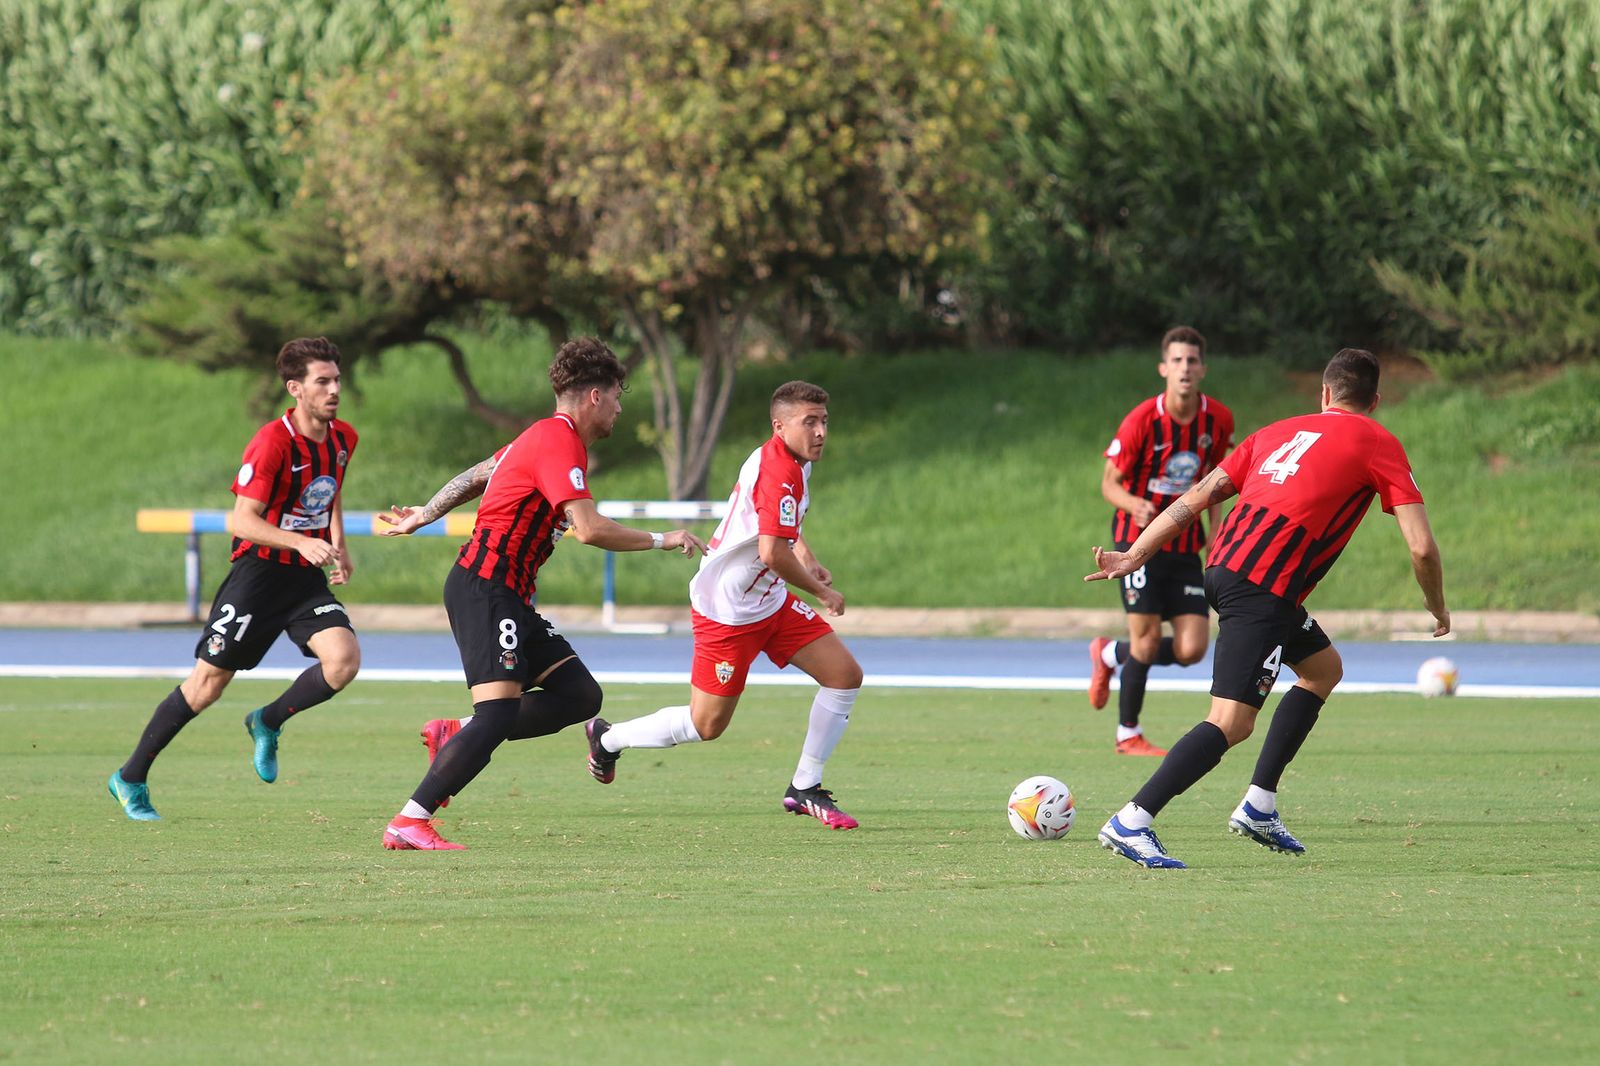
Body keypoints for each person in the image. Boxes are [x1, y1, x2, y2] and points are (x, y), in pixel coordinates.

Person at [1086, 348, 1449, 868]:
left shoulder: (1274, 431)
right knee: (1230, 722)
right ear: (1375, 400)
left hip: (1223, 571)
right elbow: (1421, 547)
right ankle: (1133, 820)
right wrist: (1437, 607)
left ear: (1324, 394)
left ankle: (1259, 804)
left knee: (1323, 669)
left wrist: (1134, 554)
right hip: (1263, 589)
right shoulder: (1378, 440)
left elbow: (1196, 499)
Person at [376, 337, 706, 850]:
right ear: (595, 396)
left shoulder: (540, 437)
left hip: (508, 595)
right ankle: (410, 819)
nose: (620, 407)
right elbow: (590, 529)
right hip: (486, 589)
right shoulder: (558, 441)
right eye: (618, 395)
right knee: (499, 715)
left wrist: (426, 512)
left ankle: (457, 733)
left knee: (580, 696)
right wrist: (663, 539)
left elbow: (477, 475)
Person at [582, 381, 866, 830]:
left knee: (844, 676)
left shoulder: (793, 460)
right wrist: (820, 590)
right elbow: (772, 552)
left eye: (824, 422)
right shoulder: (779, 471)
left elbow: (780, 528)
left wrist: (807, 557)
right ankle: (608, 738)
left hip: (768, 600)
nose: (820, 432)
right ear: (780, 426)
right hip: (728, 610)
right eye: (809, 422)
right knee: (706, 725)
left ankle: (804, 787)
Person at [108, 337, 363, 820]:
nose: (334, 390)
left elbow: (330, 493)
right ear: (296, 389)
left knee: (343, 661)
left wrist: (339, 546)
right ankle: (130, 776)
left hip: (303, 580)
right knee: (206, 685)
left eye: (337, 380)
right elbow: (242, 520)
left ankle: (267, 721)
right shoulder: (272, 442)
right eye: (322, 382)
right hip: (259, 577)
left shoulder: (343, 438)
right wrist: (301, 542)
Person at [1085, 326, 1234, 756]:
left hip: (1185, 545)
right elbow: (1109, 484)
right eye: (1177, 361)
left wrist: (1217, 533)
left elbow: (1216, 483)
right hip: (1136, 544)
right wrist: (1134, 504)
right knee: (1147, 640)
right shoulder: (1141, 421)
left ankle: (1112, 654)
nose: (1185, 368)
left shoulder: (1218, 420)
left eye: (1192, 361)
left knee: (1192, 648)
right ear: (1163, 368)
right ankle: (1127, 733)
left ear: (1202, 369)